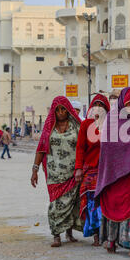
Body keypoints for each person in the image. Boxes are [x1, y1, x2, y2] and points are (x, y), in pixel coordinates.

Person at [95, 87, 130, 259]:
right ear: (122, 103)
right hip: (115, 175)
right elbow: (107, 147)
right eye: (129, 102)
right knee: (114, 206)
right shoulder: (111, 120)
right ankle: (111, 240)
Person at [31, 96, 83, 247]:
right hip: (54, 174)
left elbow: (83, 147)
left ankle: (69, 232)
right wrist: (34, 170)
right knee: (56, 204)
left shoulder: (77, 127)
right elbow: (41, 149)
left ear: (68, 110)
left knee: (73, 203)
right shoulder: (49, 128)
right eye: (57, 110)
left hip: (74, 173)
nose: (60, 113)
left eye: (63, 109)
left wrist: (82, 168)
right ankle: (56, 235)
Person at [75, 94, 110, 246]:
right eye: (95, 105)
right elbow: (80, 148)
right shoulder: (86, 125)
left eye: (101, 105)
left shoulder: (111, 125)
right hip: (91, 169)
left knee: (106, 202)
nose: (98, 108)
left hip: (107, 169)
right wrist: (78, 169)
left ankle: (107, 234)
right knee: (93, 203)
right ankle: (96, 234)